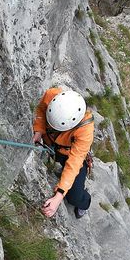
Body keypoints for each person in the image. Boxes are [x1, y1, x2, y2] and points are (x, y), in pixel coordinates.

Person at [32, 87, 94, 219]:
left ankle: (85, 202)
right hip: (52, 145)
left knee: (74, 197)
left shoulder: (85, 130)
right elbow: (41, 110)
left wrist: (59, 195)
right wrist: (38, 130)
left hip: (69, 155)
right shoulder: (52, 96)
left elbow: (75, 161)